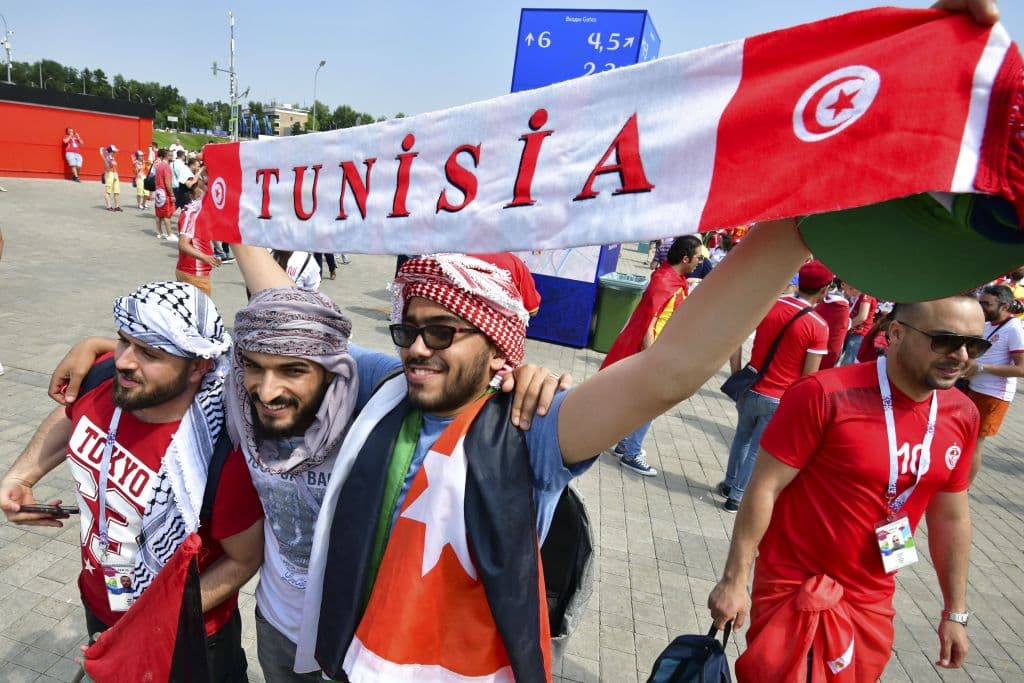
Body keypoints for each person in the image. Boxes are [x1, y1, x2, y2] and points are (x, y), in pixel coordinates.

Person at [708, 296, 985, 681]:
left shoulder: (962, 413)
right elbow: (764, 487)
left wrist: (955, 612)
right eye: (944, 340)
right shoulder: (823, 393)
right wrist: (733, 581)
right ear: (896, 333)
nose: (960, 355)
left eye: (974, 345)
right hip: (796, 587)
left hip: (872, 596)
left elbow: (952, 517)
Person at [0, 282, 264, 680]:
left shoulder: (218, 456)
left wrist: (146, 623)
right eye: (124, 341)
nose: (125, 361)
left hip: (184, 635)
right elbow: (74, 415)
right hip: (99, 603)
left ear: (197, 366)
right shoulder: (111, 382)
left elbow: (245, 558)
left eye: (149, 352)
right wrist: (22, 475)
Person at [718, 260, 831, 511]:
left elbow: (734, 337)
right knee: (757, 450)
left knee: (741, 438)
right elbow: (809, 376)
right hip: (779, 397)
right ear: (824, 290)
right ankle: (736, 496)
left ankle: (729, 483)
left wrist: (736, 372)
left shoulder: (771, 304)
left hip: (750, 386)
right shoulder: (819, 326)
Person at [599, 235, 705, 475]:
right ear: (686, 258)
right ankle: (632, 452)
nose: (700, 261)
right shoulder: (665, 281)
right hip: (653, 354)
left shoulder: (672, 278)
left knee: (642, 403)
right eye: (698, 257)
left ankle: (625, 444)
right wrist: (653, 358)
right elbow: (649, 322)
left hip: (658, 351)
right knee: (651, 404)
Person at [962, 285, 1024, 481]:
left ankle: (964, 488)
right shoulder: (988, 324)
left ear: (1005, 306)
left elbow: (1021, 369)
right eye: (980, 302)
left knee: (974, 445)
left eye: (987, 304)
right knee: (963, 439)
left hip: (993, 395)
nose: (981, 307)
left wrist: (982, 368)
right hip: (973, 387)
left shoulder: (1014, 329)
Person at [176, 174, 220, 295]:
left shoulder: (199, 211)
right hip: (193, 274)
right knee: (200, 312)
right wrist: (206, 258)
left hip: (198, 273)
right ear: (192, 197)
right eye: (201, 196)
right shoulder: (192, 213)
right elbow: (183, 244)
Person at [470, 251, 543, 316]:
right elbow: (532, 310)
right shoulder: (515, 263)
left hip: (463, 319)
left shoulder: (461, 255)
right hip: (495, 324)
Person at [813, 279, 851, 371]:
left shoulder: (828, 299)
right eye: (852, 288)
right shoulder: (841, 305)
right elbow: (836, 341)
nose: (857, 291)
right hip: (825, 350)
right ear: (843, 285)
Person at [839, 282, 877, 365]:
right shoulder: (856, 292)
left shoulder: (866, 295)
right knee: (837, 355)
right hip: (849, 329)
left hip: (859, 333)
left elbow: (862, 317)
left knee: (848, 361)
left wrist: (846, 326)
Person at [152, 148, 176, 240]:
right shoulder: (166, 166)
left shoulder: (159, 166)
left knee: (158, 214)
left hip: (158, 192)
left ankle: (159, 232)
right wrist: (172, 194)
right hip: (164, 192)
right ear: (166, 156)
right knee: (167, 214)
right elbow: (167, 182)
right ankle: (170, 234)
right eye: (170, 154)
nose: (171, 156)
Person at [99, 145, 121, 212]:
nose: (115, 153)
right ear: (111, 152)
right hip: (109, 174)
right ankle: (109, 206)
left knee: (117, 191)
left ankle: (117, 206)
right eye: (114, 152)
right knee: (108, 191)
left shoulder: (112, 158)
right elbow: (107, 168)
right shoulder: (107, 158)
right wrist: (107, 162)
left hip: (115, 174)